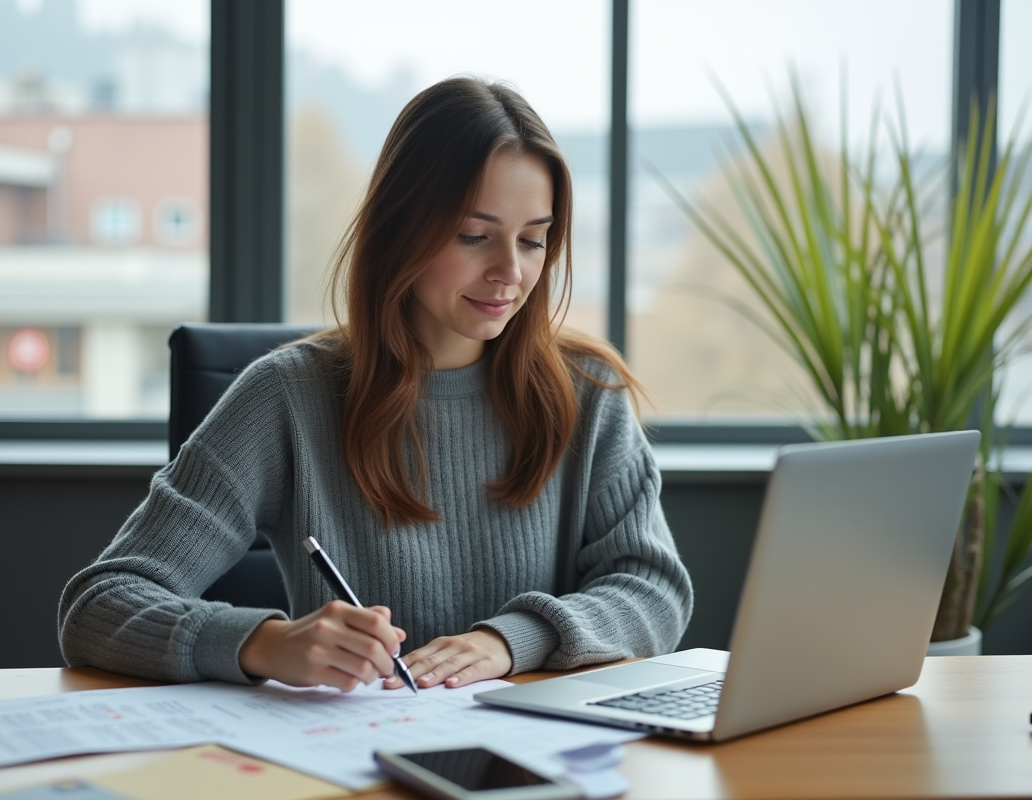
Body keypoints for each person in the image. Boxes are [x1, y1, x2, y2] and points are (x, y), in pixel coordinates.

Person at [58, 76, 693, 692]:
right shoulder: (286, 397)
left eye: (533, 241)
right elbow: (100, 604)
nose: (509, 272)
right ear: (400, 229)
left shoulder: (586, 392)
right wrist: (265, 643)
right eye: (474, 236)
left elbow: (653, 590)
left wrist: (512, 640)